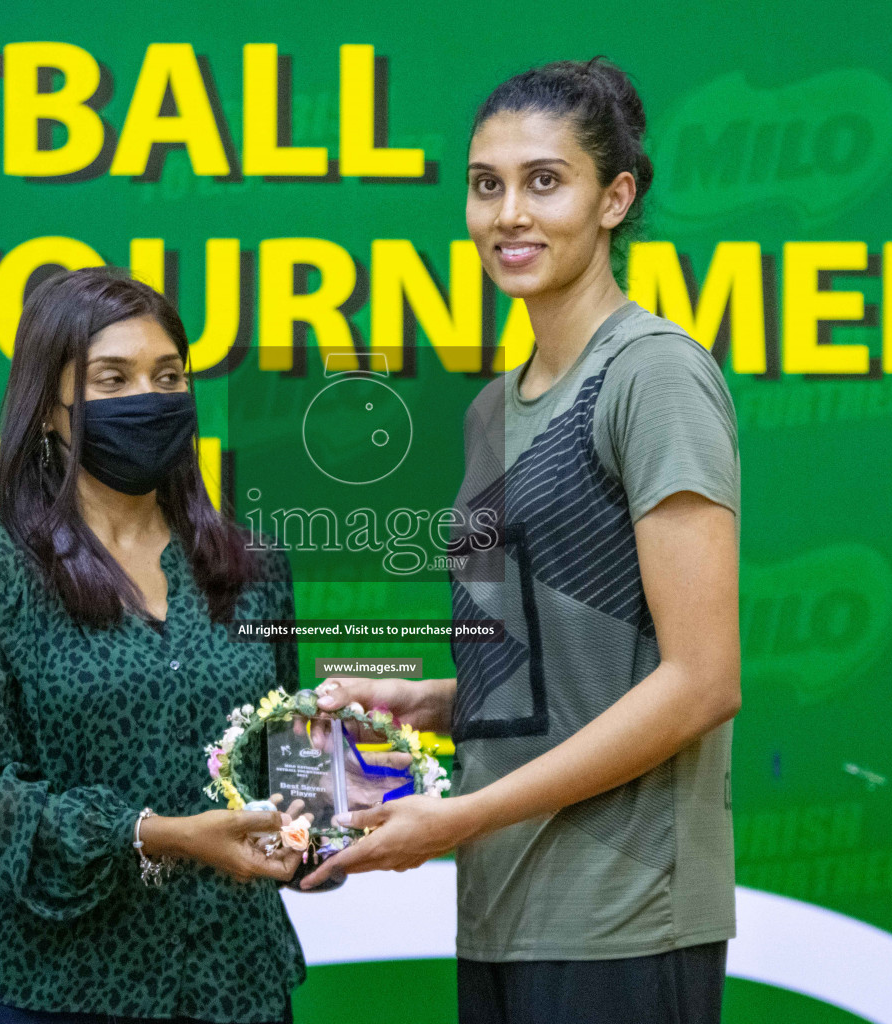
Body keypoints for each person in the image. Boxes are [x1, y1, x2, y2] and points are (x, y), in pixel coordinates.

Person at [301, 59, 742, 1024]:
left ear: (615, 198)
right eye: (486, 184)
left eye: (545, 181)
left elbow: (702, 680)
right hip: (502, 913)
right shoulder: (489, 413)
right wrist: (427, 702)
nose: (509, 214)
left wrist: (455, 818)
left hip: (626, 917)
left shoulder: (653, 376)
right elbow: (566, 673)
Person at [0, 268, 306, 1024]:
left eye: (168, 376)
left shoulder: (254, 566)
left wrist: (324, 828)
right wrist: (161, 836)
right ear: (50, 410)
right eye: (111, 379)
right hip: (51, 989)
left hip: (232, 986)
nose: (149, 401)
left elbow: (287, 760)